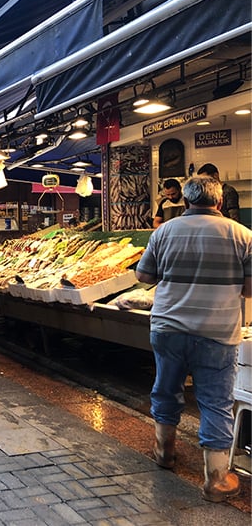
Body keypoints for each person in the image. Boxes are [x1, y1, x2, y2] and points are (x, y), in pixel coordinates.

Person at [135, 176, 251, 503]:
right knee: (216, 400)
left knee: (166, 387)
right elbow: (251, 289)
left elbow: (144, 277)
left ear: (184, 202)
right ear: (218, 202)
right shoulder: (243, 235)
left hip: (168, 328)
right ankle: (216, 479)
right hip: (218, 331)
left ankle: (164, 452)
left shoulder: (163, 232)